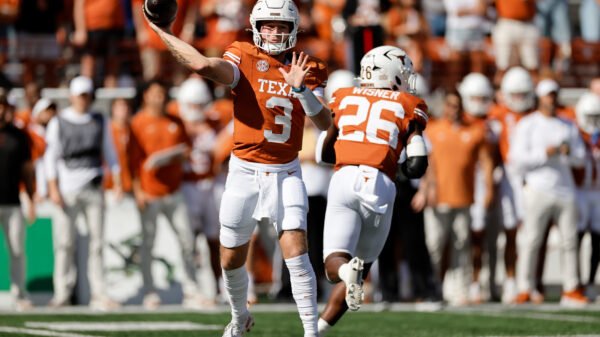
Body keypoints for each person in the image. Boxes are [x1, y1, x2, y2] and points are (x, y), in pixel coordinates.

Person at [144, 0, 331, 334]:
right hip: (244, 170)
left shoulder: (309, 65)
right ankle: (239, 316)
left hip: (285, 170)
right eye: (268, 26)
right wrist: (162, 31)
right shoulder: (243, 55)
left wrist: (302, 90)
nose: (275, 32)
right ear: (256, 28)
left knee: (296, 252)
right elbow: (203, 65)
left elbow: (324, 121)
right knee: (230, 258)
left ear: (293, 29)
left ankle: (311, 331)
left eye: (281, 26)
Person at [315, 46, 428, 335]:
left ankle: (317, 327)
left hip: (343, 177)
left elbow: (323, 153)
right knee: (361, 267)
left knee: (334, 266)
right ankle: (321, 326)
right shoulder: (408, 103)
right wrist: (394, 165)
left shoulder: (343, 96)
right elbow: (417, 164)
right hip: (380, 182)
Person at [44, 76, 121, 310]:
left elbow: (110, 152)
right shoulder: (58, 121)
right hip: (67, 189)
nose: (83, 100)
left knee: (97, 243)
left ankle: (99, 293)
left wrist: (116, 182)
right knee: (64, 243)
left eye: (87, 95)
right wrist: (53, 188)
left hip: (93, 187)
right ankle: (62, 293)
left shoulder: (100, 120)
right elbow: (51, 157)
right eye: (80, 95)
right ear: (72, 96)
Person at [509, 79, 588, 307]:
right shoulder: (528, 124)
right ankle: (525, 287)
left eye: (554, 95)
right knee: (532, 240)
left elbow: (580, 159)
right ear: (539, 97)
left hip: (565, 189)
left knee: (570, 242)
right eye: (547, 95)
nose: (551, 99)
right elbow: (517, 160)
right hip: (537, 188)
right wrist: (545, 153)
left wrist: (567, 153)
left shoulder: (568, 125)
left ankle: (571, 288)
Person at [129, 79, 204, 309]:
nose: (159, 97)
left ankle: (191, 289)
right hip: (150, 193)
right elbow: (131, 162)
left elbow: (186, 151)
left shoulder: (175, 121)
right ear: (146, 96)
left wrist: (176, 156)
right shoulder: (137, 123)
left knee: (187, 240)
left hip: (174, 190)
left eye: (162, 92)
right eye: (155, 93)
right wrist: (138, 191)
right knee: (148, 244)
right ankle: (149, 290)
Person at [0, 89, 35, 311]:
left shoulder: (19, 136)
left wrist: (31, 198)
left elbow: (27, 170)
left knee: (17, 249)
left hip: (13, 201)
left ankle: (20, 293)